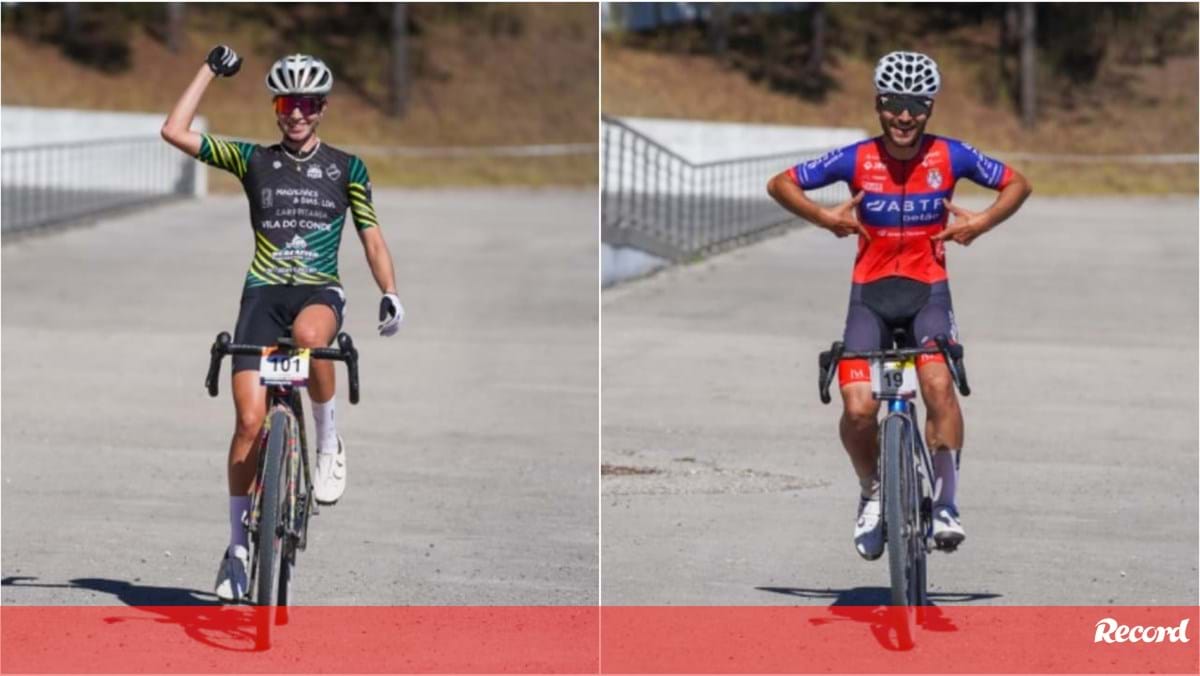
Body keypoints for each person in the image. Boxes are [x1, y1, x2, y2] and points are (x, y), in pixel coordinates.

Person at [161, 46, 406, 600]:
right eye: (286, 102)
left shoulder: (348, 168)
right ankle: (238, 551)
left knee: (312, 340)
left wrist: (390, 292)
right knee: (248, 423)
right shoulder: (253, 160)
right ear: (275, 108)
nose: (296, 113)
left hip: (318, 292)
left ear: (322, 108)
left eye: (307, 103)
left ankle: (327, 439)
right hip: (262, 295)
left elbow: (371, 236)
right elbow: (174, 131)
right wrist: (208, 70)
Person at [766, 51, 1032, 560]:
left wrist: (981, 222)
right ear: (878, 104)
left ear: (929, 107)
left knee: (937, 384)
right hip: (870, 295)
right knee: (858, 408)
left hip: (927, 291)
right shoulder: (856, 158)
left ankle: (948, 503)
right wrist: (825, 219)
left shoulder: (951, 156)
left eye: (916, 105)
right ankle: (871, 492)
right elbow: (781, 183)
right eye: (893, 104)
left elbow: (1017, 182)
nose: (904, 115)